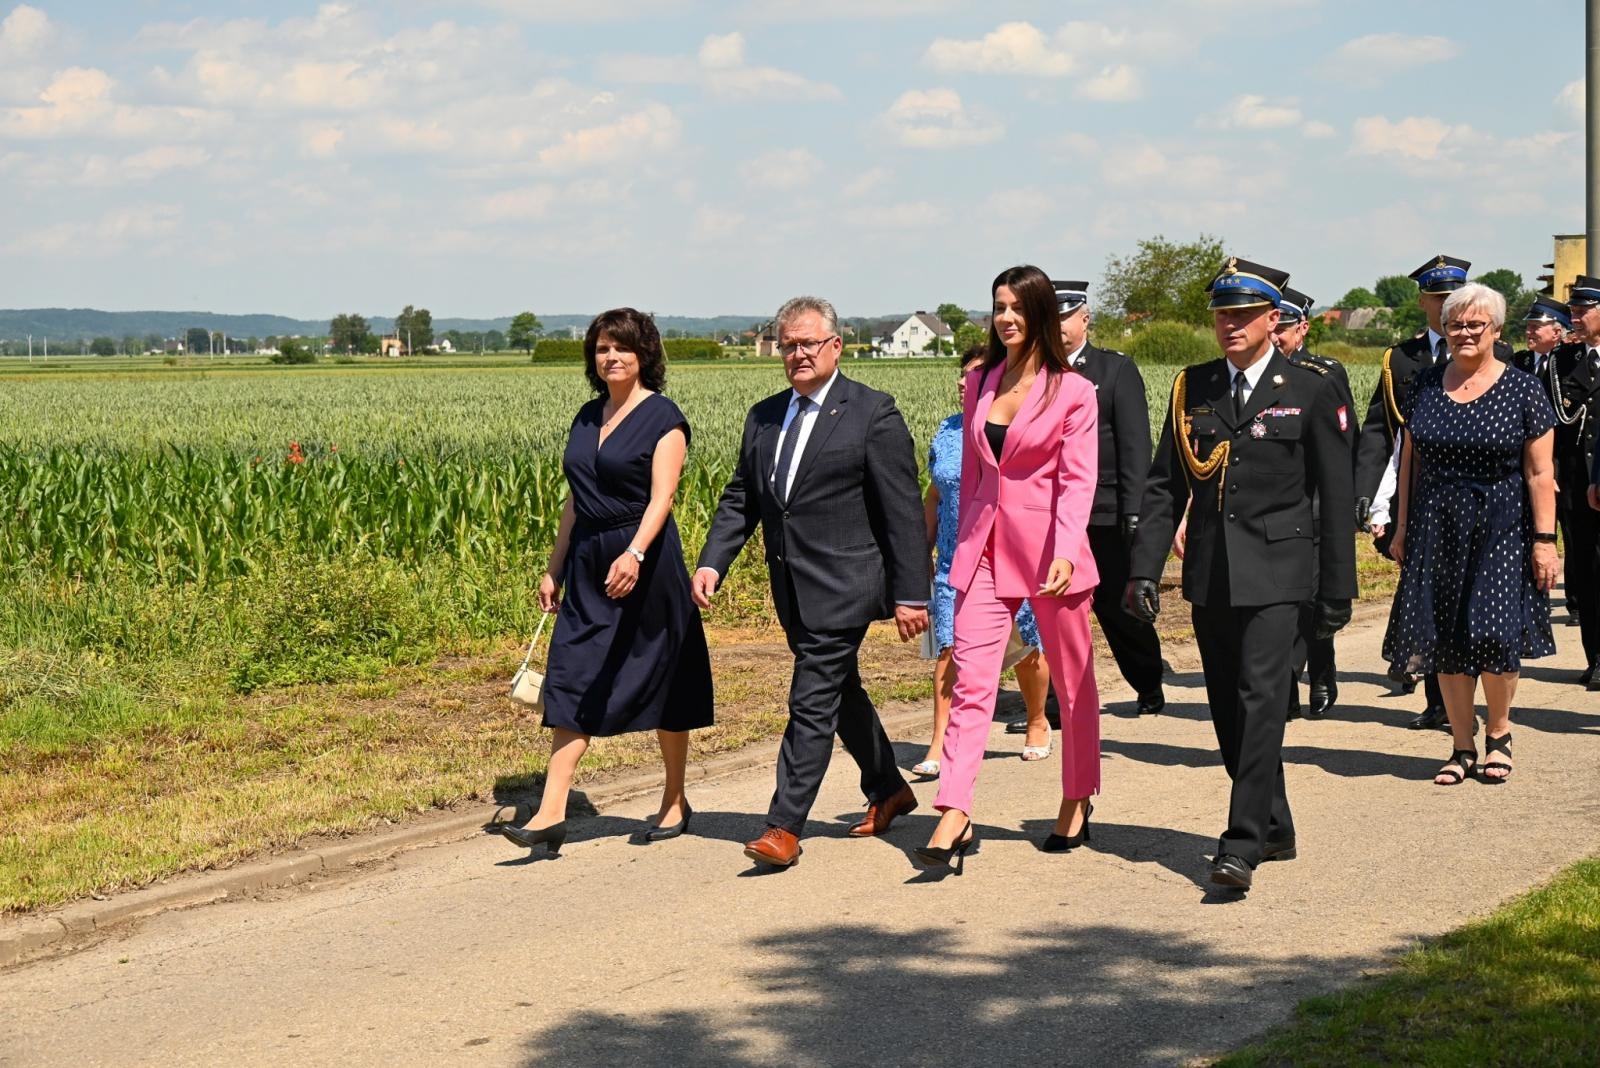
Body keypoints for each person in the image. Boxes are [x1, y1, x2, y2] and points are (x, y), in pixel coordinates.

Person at [1126, 257, 1356, 893]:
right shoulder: (1191, 387)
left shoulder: (1309, 386)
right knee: (1228, 708)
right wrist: (1144, 569)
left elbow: (1334, 496)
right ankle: (1274, 821)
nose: (1230, 324)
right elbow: (1164, 486)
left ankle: (1241, 842)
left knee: (1261, 702)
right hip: (1210, 573)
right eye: (1222, 314)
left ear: (1272, 320)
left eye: (1244, 314)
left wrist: (1337, 588)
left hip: (1282, 571)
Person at [693, 296, 928, 868]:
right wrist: (712, 561)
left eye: (808, 343)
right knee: (840, 691)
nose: (796, 354)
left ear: (835, 347)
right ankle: (888, 787)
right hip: (791, 586)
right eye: (787, 345)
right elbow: (742, 497)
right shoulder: (765, 416)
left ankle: (784, 826)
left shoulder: (874, 412)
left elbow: (901, 510)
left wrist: (911, 592)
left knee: (812, 697)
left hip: (847, 582)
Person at [501, 308, 714, 856]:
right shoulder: (586, 416)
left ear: (643, 355)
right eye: (601, 348)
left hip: (644, 560)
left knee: (664, 678)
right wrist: (554, 566)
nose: (610, 356)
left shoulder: (664, 417)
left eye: (621, 347)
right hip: (588, 562)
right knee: (571, 671)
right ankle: (551, 813)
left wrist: (635, 554)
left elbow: (663, 497)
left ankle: (674, 799)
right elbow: (576, 497)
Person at [917, 264, 1101, 868]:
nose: (1006, 317)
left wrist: (1068, 552)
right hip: (985, 551)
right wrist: (957, 552)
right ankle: (955, 810)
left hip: (1053, 556)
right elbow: (973, 478)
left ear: (1041, 314)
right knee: (972, 680)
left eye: (1018, 307)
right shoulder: (981, 383)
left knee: (1072, 688)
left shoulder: (1073, 391)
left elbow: (1078, 482)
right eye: (999, 306)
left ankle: (1076, 798)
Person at [1382, 283, 1558, 784]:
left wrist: (1545, 542)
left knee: (1495, 632)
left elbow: (1540, 473)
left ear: (1496, 330)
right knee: (1445, 638)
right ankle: (1461, 746)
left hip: (1503, 524)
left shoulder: (1523, 388)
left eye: (1474, 324)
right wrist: (1401, 526)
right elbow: (1408, 460)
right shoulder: (1424, 384)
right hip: (1437, 525)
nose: (1463, 332)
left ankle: (1498, 733)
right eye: (1455, 323)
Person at [1353, 254, 1511, 732]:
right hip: (1423, 496)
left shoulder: (1498, 355)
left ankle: (1489, 703)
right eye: (1439, 298)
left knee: (1482, 604)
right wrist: (1366, 494)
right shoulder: (1401, 359)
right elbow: (1381, 431)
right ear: (1424, 302)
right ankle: (1439, 701)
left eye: (1455, 296)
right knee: (1430, 600)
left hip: (1488, 501)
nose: (1448, 306)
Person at [917, 347, 1053, 777]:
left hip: (1011, 557)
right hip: (953, 562)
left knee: (1027, 647)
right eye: (961, 375)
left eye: (973, 375)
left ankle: (1036, 719)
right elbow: (935, 494)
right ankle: (940, 742)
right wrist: (920, 548)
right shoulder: (947, 430)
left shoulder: (1018, 430)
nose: (962, 382)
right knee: (949, 649)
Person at [1051, 279, 1166, 716]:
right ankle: (1061, 700)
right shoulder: (1033, 373)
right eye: (1051, 317)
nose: (1058, 326)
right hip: (1052, 512)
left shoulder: (1113, 370)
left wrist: (1135, 511)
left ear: (1085, 319)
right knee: (1057, 612)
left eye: (1065, 317)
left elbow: (1136, 445)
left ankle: (1148, 681)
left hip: (1105, 511)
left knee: (1120, 609)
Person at [1271, 287, 1357, 720]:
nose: (1276, 336)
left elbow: (1341, 446)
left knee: (1312, 602)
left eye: (1284, 327)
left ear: (1302, 328)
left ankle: (1321, 672)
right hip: (1272, 513)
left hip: (1316, 508)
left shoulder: (1323, 374)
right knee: (1281, 607)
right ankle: (1284, 687)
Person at [1517, 295, 1584, 632]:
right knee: (1533, 536)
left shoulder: (1570, 363)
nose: (1529, 331)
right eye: (1528, 326)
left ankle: (1575, 602)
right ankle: (1532, 606)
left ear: (1558, 332)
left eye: (1537, 326)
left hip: (1566, 465)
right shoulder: (1518, 364)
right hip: (1529, 467)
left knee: (1572, 537)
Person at [1558, 277, 1600, 688]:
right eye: (1572, 310)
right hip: (1576, 482)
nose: (1576, 316)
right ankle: (1595, 655)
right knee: (1585, 569)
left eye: (1584, 309)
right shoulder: (1563, 361)